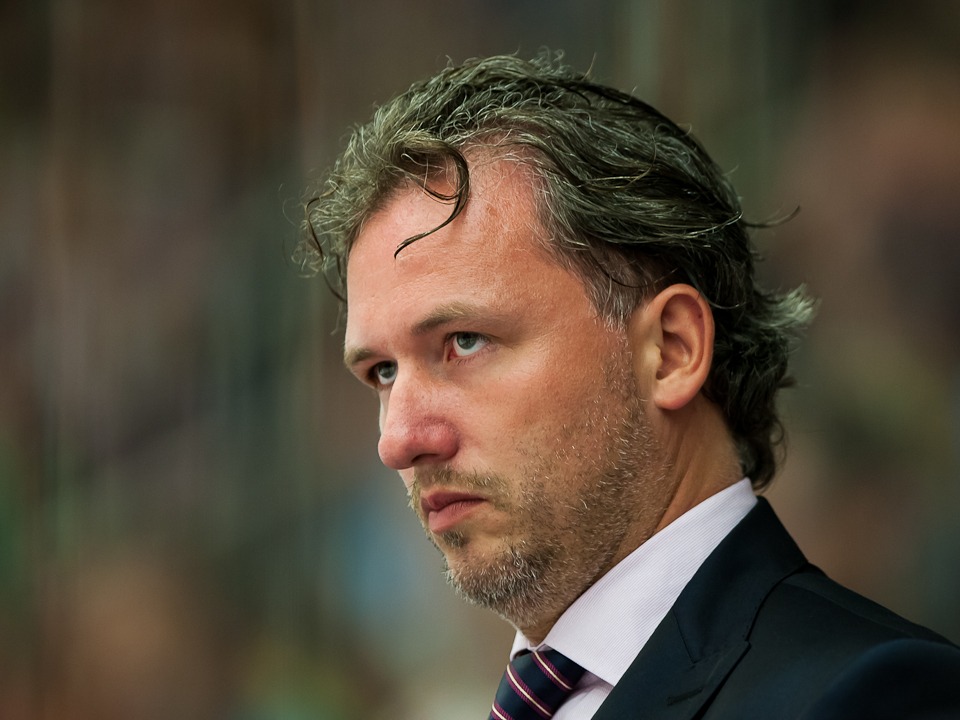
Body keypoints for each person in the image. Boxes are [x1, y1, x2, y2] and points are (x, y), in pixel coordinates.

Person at [298, 54, 960, 719]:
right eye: (383, 372)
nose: (398, 440)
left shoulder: (872, 697)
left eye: (464, 341)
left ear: (671, 350)